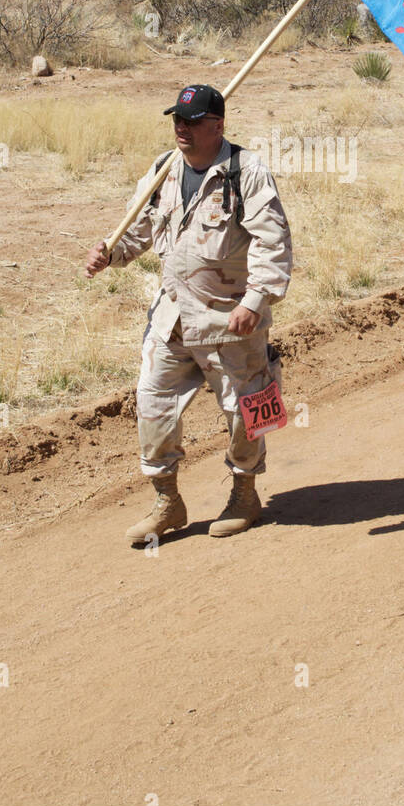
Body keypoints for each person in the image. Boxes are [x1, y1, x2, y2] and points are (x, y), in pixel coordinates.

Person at [85, 84, 293, 543]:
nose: (182, 128)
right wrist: (111, 253)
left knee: (247, 411)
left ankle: (245, 493)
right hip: (172, 319)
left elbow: (272, 242)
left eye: (193, 121)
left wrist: (255, 301)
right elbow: (136, 232)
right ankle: (167, 501)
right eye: (177, 120)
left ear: (217, 125)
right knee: (152, 405)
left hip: (231, 321)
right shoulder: (163, 170)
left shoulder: (247, 172)